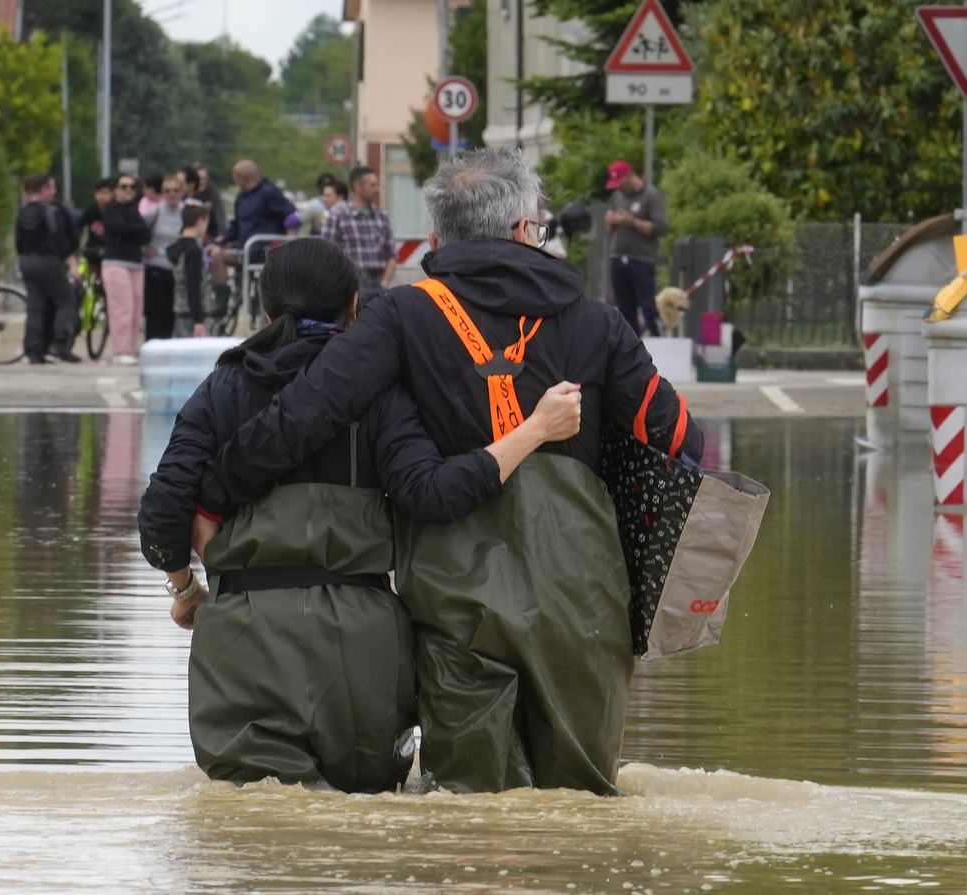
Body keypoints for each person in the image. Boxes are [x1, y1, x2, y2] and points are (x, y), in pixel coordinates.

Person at [189, 148, 700, 796]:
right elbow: (678, 437)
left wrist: (213, 496)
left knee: (471, 809)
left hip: (458, 590)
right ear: (523, 231)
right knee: (582, 803)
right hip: (582, 594)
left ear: (438, 237)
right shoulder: (596, 320)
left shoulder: (404, 315)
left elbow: (305, 413)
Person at [139, 236, 584, 793]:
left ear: (266, 304)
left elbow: (161, 512)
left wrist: (185, 589)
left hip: (242, 635)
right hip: (364, 648)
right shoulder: (382, 395)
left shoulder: (220, 390)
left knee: (252, 835)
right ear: (354, 306)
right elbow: (432, 493)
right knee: (364, 826)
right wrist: (536, 430)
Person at [212, 160, 296, 319]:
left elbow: (290, 215)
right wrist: (221, 239)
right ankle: (221, 304)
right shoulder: (240, 198)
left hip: (265, 249)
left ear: (242, 177)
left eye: (235, 177)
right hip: (245, 249)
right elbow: (236, 226)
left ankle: (267, 314)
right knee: (217, 254)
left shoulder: (269, 192)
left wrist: (289, 241)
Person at [16, 174, 81, 365]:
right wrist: (71, 262)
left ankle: (33, 349)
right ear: (43, 189)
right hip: (48, 260)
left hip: (28, 260)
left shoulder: (24, 212)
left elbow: (18, 240)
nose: (54, 192)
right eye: (51, 188)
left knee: (35, 306)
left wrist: (23, 259)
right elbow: (58, 239)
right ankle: (59, 343)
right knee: (66, 299)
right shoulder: (50, 212)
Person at [603, 160, 669, 337]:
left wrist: (632, 222)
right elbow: (610, 229)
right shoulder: (618, 196)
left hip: (641, 259)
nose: (619, 189)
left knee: (648, 306)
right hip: (618, 256)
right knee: (624, 308)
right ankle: (630, 346)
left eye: (621, 184)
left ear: (630, 177)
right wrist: (610, 221)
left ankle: (658, 339)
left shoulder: (651, 195)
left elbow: (660, 228)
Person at [99, 173, 151, 365]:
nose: (128, 190)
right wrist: (134, 231)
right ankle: (120, 350)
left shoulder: (135, 210)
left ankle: (130, 347)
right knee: (122, 308)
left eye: (131, 187)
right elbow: (119, 229)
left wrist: (132, 231)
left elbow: (145, 234)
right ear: (115, 190)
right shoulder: (112, 210)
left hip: (136, 263)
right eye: (123, 186)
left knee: (137, 308)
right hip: (115, 263)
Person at [321, 165, 396, 299]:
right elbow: (326, 252)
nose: (376, 189)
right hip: (349, 283)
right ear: (357, 186)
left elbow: (391, 255)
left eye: (377, 185)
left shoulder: (381, 215)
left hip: (377, 283)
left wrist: (384, 283)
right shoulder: (338, 214)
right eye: (372, 185)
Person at [143, 175, 187, 341]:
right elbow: (137, 231)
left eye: (176, 190)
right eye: (167, 191)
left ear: (182, 192)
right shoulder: (154, 211)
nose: (172, 194)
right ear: (162, 193)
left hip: (177, 269)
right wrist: (143, 250)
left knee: (173, 313)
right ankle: (152, 345)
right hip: (156, 267)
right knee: (155, 312)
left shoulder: (186, 212)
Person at [168, 204, 211, 338]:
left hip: (179, 308)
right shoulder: (194, 251)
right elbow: (193, 285)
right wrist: (199, 319)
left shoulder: (176, 247)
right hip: (194, 312)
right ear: (200, 221)